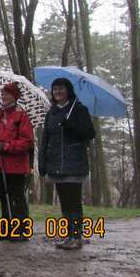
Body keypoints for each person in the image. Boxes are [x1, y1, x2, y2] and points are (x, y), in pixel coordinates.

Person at [38, 78, 95, 250]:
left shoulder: (79, 110)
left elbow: (89, 133)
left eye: (61, 88)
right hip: (55, 163)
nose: (57, 92)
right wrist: (42, 162)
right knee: (64, 202)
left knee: (73, 201)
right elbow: (45, 139)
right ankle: (69, 235)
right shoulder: (52, 113)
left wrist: (71, 126)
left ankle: (76, 236)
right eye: (55, 89)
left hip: (74, 162)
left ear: (68, 90)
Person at [0, 83, 34, 241]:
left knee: (16, 197)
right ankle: (6, 229)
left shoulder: (21, 116)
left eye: (6, 94)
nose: (3, 96)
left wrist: (7, 146)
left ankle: (21, 230)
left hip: (16, 165)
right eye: (2, 94)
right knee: (4, 197)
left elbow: (27, 142)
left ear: (14, 96)